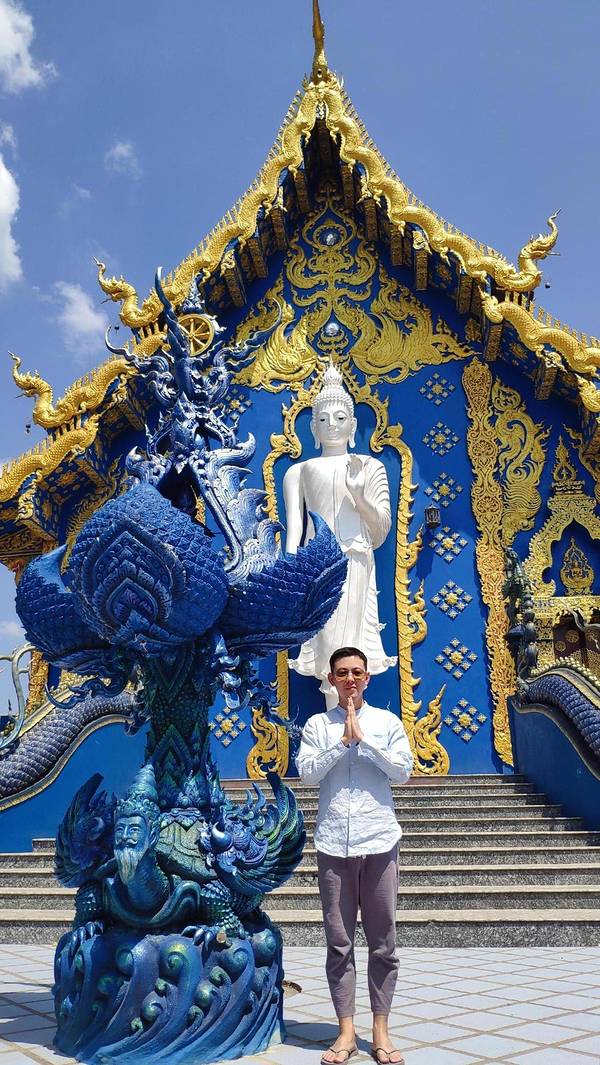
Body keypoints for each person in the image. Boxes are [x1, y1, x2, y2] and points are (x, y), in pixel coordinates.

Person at [296, 647, 413, 1065]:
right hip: (333, 844)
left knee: (383, 943)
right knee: (339, 943)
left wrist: (364, 743)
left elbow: (403, 772)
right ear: (330, 679)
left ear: (367, 678)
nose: (350, 679)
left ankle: (380, 1030)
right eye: (342, 673)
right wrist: (341, 743)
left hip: (379, 840)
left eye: (357, 673)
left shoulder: (386, 723)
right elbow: (307, 775)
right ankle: (345, 1031)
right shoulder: (317, 725)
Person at [283, 365, 396, 706]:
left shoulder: (369, 466)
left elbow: (380, 530)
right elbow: (295, 531)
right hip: (316, 565)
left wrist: (359, 495)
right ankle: (336, 715)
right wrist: (292, 575)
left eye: (340, 417)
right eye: (323, 419)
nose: (332, 424)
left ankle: (351, 714)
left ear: (354, 425)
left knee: (351, 641)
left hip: (355, 557)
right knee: (325, 641)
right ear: (313, 429)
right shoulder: (298, 471)